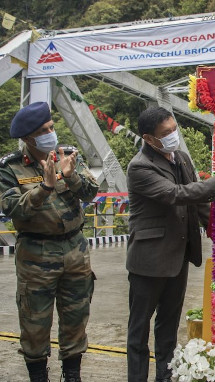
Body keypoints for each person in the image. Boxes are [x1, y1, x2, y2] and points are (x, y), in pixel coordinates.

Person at [126, 106, 215, 382]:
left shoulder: (182, 158)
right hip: (149, 260)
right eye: (166, 133)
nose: (173, 135)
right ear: (149, 139)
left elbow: (197, 203)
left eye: (174, 128)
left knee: (168, 327)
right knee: (138, 330)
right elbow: (174, 194)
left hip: (178, 257)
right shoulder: (140, 166)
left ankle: (165, 376)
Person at [0, 101, 99, 382]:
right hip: (36, 254)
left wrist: (71, 176)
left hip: (75, 250)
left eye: (52, 127)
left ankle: (72, 374)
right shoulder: (11, 167)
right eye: (44, 130)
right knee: (35, 322)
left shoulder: (67, 155)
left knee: (76, 317)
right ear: (29, 137)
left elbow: (92, 192)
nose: (51, 133)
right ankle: (38, 376)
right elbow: (12, 209)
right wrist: (45, 187)